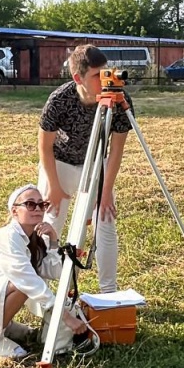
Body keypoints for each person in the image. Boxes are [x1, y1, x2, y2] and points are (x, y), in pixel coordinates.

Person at [0, 184, 88, 358]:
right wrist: (65, 317)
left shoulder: (34, 239)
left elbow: (56, 273)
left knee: (27, 281)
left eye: (42, 205)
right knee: (23, 284)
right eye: (30, 204)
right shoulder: (7, 238)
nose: (37, 209)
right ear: (14, 211)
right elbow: (27, 281)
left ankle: (4, 326)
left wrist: (54, 242)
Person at [38, 44, 134, 294]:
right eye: (96, 75)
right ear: (78, 78)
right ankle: (44, 290)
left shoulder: (118, 98)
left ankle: (109, 292)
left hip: (93, 165)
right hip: (58, 165)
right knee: (52, 220)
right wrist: (55, 187)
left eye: (106, 71)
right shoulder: (60, 99)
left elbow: (116, 150)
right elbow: (44, 147)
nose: (105, 79)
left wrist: (105, 192)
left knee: (106, 220)